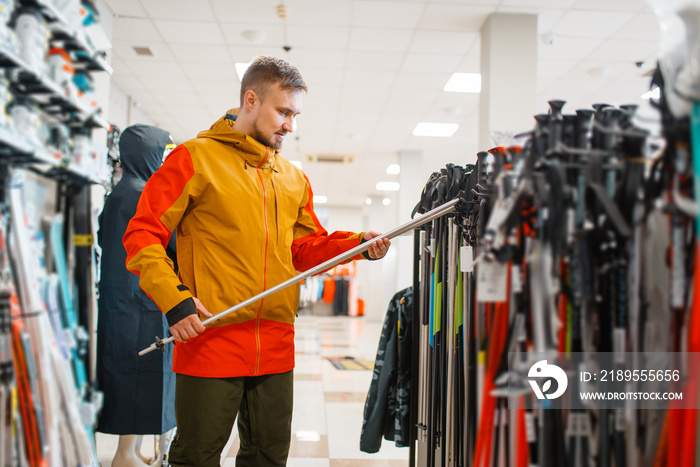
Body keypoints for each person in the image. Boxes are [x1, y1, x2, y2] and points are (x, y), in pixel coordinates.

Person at [122, 55, 391, 467]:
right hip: (212, 338)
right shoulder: (196, 158)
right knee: (197, 457)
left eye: (296, 114)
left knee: (267, 456)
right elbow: (142, 235)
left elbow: (302, 250)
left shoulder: (292, 177)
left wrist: (354, 244)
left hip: (276, 344)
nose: (291, 125)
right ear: (251, 100)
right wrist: (174, 300)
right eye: (283, 111)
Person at [96, 124, 177, 466]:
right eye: (162, 153)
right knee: (139, 379)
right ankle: (125, 455)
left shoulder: (124, 190)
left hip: (130, 302)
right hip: (138, 305)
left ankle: (130, 451)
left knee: (140, 382)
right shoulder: (137, 194)